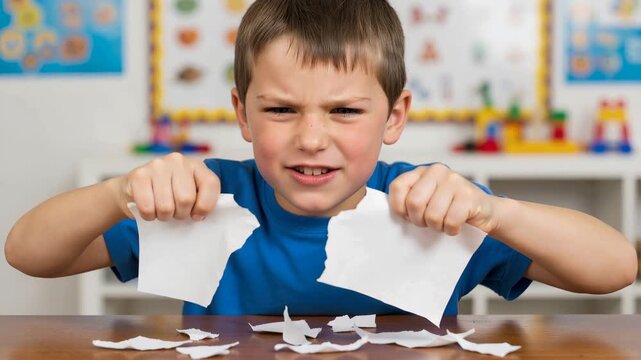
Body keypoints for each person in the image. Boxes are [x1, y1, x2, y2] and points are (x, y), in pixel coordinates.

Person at [5, 0, 637, 317]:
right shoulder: (203, 200)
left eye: (343, 111)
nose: (312, 137)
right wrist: (121, 193)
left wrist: (493, 211)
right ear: (242, 113)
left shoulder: (432, 205)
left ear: (394, 117)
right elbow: (29, 253)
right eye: (281, 111)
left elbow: (614, 269)